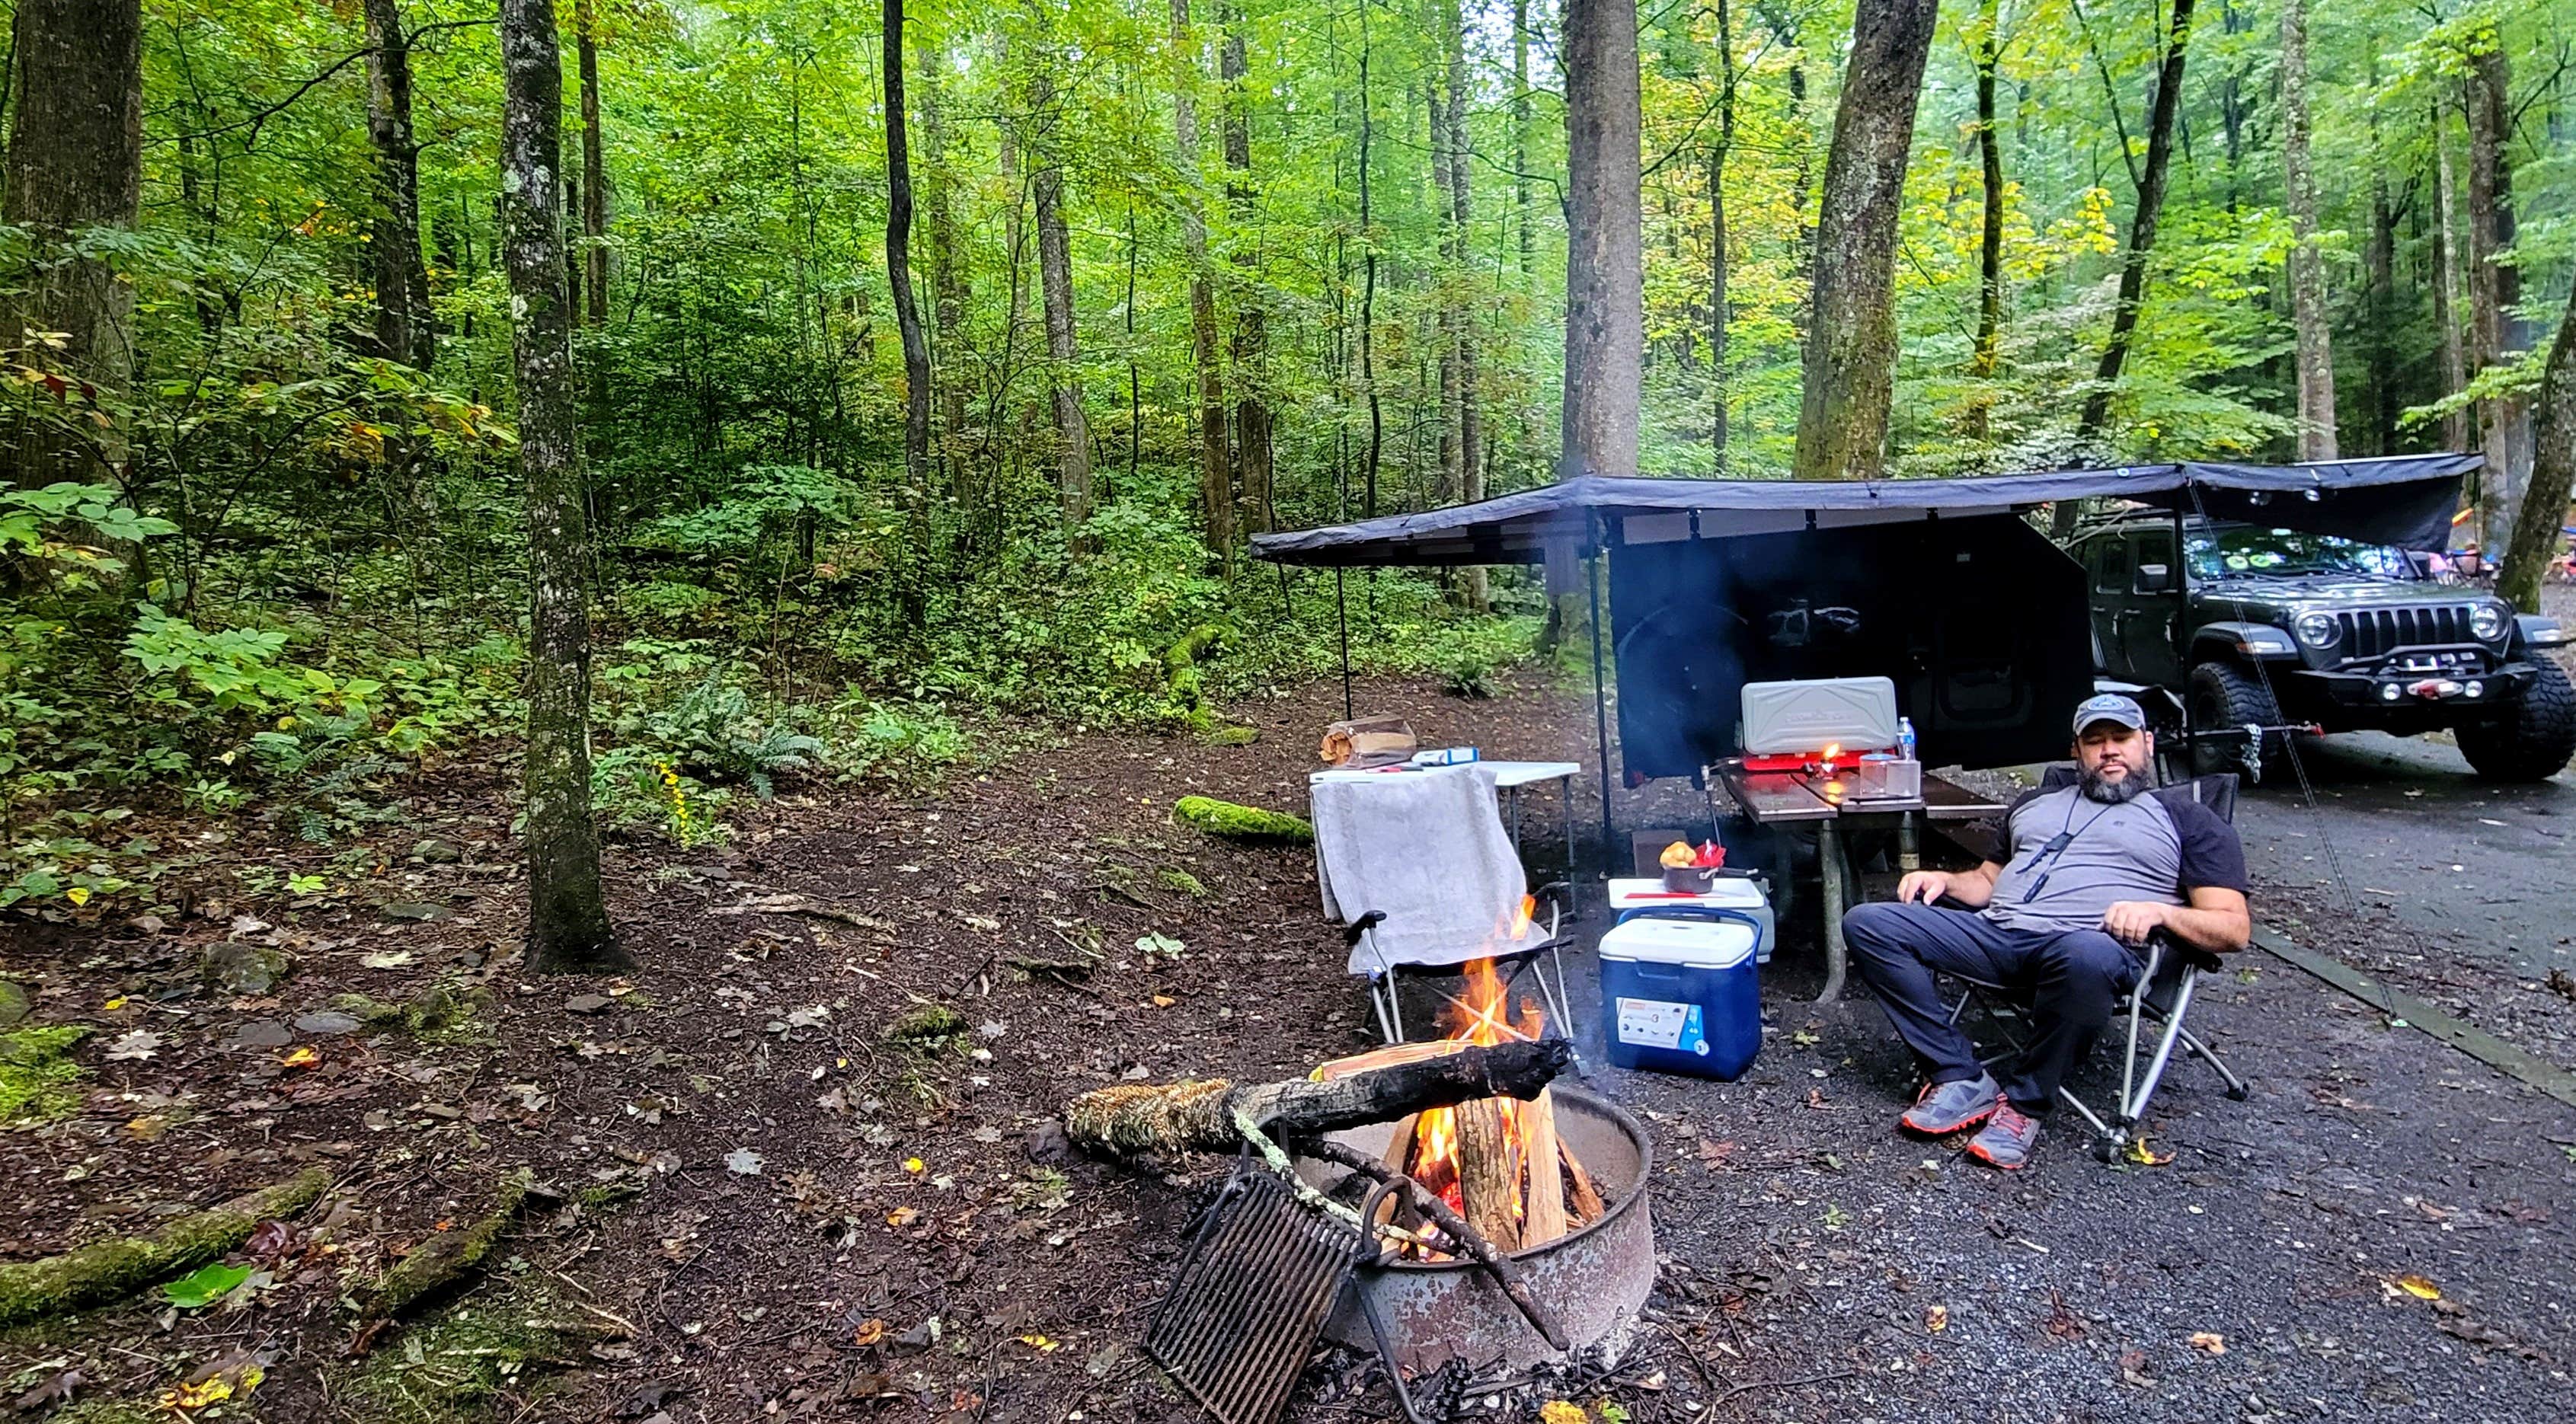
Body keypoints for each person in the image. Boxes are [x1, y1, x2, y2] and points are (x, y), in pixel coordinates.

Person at [1840, 694, 2250, 1169]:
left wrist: (2161, 913)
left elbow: (2232, 927)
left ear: (2147, 744)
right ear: (2076, 751)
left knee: (2084, 953)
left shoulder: (2188, 818)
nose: (2109, 750)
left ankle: (2025, 1104)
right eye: (2095, 741)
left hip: (2089, 950)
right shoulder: (2035, 804)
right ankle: (1957, 1075)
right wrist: (1946, 880)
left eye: (2121, 738)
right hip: (1998, 935)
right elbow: (1989, 881)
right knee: (1869, 923)